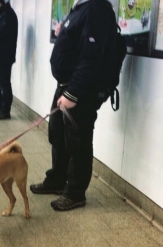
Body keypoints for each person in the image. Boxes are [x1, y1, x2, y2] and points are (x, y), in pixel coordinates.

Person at [29, 0, 119, 211]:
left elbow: (91, 58)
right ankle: (57, 181)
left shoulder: (96, 8)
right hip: (67, 84)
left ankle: (75, 193)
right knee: (58, 134)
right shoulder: (81, 7)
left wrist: (72, 93)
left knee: (78, 141)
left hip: (81, 90)